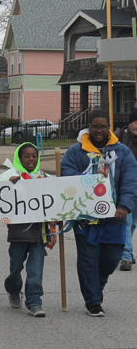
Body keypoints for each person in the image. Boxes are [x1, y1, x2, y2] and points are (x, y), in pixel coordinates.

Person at [61, 110, 137, 317]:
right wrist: (91, 175)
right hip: (86, 217)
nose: (99, 130)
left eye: (104, 126)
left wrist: (124, 206)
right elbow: (67, 176)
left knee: (112, 258)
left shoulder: (122, 152)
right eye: (95, 126)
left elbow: (131, 181)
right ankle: (93, 301)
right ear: (88, 127)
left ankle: (96, 287)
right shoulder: (76, 152)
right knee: (88, 260)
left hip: (115, 215)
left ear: (109, 127)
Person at [0, 143, 56, 317]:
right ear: (20, 158)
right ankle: (13, 289)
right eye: (26, 156)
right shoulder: (11, 176)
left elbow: (59, 195)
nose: (31, 159)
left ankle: (34, 301)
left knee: (36, 271)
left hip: (39, 234)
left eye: (34, 156)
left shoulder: (43, 177)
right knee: (15, 268)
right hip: (18, 234)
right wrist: (8, 185)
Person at [114, 108, 137, 271]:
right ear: (130, 123)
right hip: (125, 186)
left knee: (134, 222)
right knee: (127, 221)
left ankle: (126, 252)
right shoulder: (118, 137)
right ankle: (126, 257)